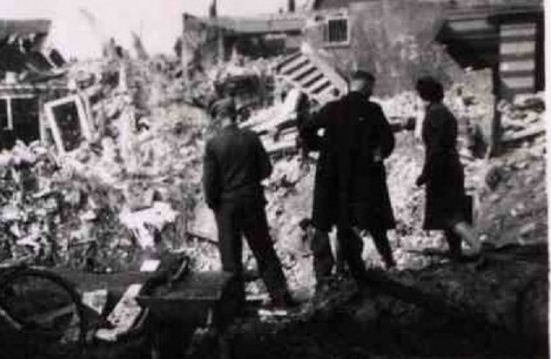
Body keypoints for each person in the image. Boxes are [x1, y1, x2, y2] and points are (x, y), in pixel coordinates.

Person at [298, 70, 398, 278]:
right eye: (372, 87)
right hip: (364, 177)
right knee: (372, 220)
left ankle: (332, 273)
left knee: (332, 221)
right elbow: (388, 141)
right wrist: (377, 155)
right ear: (367, 87)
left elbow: (306, 129)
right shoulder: (373, 110)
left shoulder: (332, 109)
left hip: (333, 177)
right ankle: (388, 263)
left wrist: (322, 146)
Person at [203, 97, 291, 326]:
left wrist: (215, 205)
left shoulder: (213, 144)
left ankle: (237, 309)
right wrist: (249, 182)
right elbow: (266, 169)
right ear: (236, 115)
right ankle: (280, 299)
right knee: (264, 250)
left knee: (231, 259)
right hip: (252, 201)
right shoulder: (251, 137)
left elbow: (209, 185)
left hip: (227, 207)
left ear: (217, 119)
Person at [414, 76, 482, 259]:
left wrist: (425, 174)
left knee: (449, 214)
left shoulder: (435, 114)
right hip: (450, 165)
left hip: (441, 168)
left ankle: (477, 246)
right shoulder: (443, 111)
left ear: (423, 95)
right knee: (448, 211)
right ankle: (456, 252)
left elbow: (436, 148)